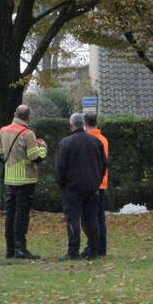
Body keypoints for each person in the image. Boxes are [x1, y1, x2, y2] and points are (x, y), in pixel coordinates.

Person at [0, 104, 47, 259]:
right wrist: (43, 147)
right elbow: (35, 157)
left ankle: (9, 249)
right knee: (21, 215)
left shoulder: (3, 131)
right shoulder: (28, 133)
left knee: (10, 214)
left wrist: (11, 162)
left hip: (10, 180)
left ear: (15, 114)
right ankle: (20, 249)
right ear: (28, 117)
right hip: (25, 180)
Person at [55, 113, 107, 261]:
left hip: (72, 188)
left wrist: (62, 184)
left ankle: (73, 251)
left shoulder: (66, 143)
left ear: (71, 125)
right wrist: (97, 181)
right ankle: (93, 251)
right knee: (91, 219)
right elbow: (103, 164)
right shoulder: (96, 141)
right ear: (83, 124)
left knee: (73, 219)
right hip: (92, 187)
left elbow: (60, 167)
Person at [83, 112, 108, 257]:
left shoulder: (90, 140)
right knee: (100, 219)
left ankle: (93, 246)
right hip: (102, 182)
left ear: (85, 124)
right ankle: (101, 247)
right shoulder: (103, 139)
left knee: (91, 218)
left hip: (93, 183)